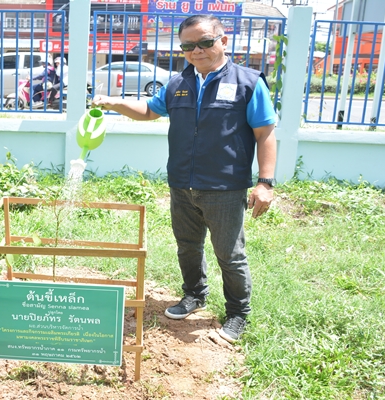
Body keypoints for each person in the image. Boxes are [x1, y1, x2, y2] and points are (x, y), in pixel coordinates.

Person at [91, 14, 277, 343]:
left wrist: (265, 182)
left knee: (229, 255)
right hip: (182, 184)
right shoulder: (178, 84)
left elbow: (265, 134)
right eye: (188, 46)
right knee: (188, 247)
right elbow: (150, 110)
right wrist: (114, 103)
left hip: (224, 187)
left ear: (223, 41)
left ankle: (238, 312)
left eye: (205, 42)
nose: (197, 51)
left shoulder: (248, 83)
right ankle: (194, 295)